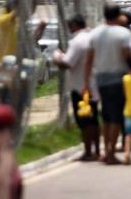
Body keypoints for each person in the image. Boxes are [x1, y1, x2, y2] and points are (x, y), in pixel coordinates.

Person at [84, 3, 131, 165]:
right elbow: (128, 56)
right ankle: (111, 152)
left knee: (106, 116)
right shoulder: (123, 33)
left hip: (100, 79)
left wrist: (87, 82)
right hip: (119, 78)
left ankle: (107, 150)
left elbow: (89, 60)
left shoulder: (94, 33)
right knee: (116, 117)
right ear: (118, 15)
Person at [53, 14, 100, 162]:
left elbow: (67, 63)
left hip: (80, 87)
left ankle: (88, 151)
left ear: (74, 26)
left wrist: (57, 57)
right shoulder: (93, 37)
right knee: (93, 119)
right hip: (94, 85)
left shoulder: (77, 41)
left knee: (84, 121)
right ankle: (97, 150)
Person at [0, 0, 21, 67]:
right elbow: (15, 13)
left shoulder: (16, 20)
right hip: (3, 64)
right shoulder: (3, 19)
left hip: (13, 63)